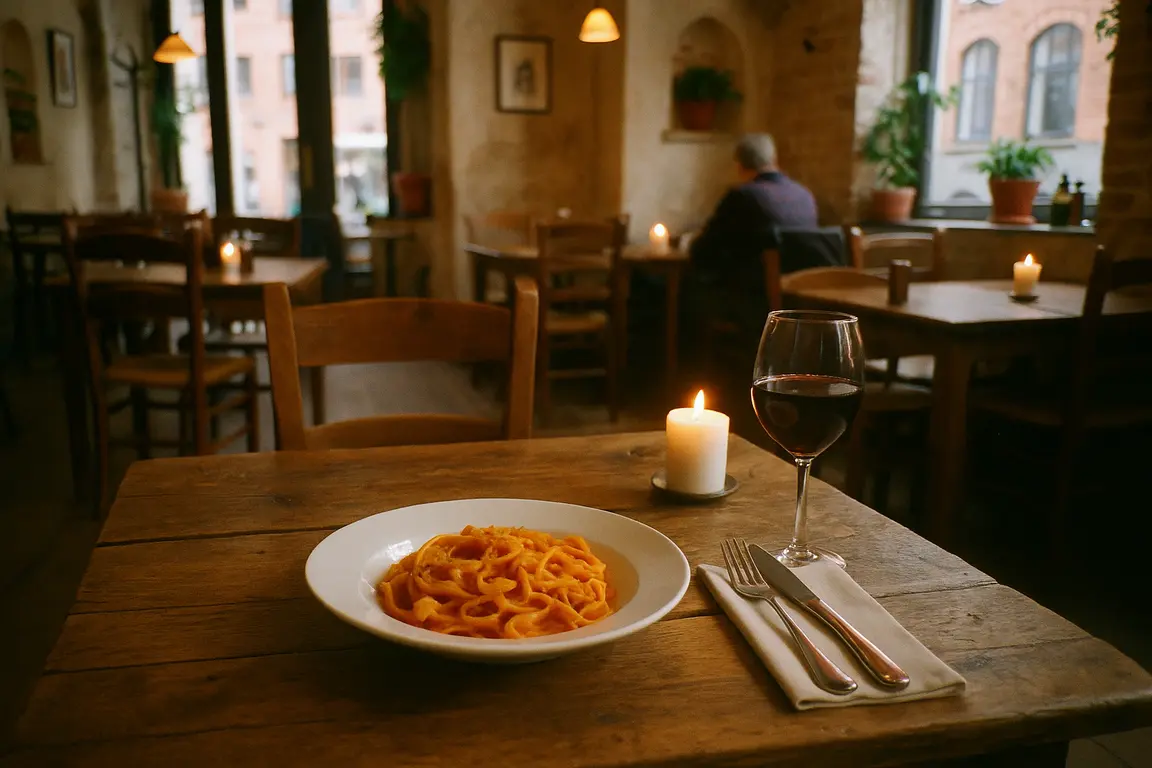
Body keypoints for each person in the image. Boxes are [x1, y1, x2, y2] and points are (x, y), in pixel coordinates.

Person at [689, 133, 818, 287]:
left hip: (754, 294)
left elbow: (702, 249)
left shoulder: (743, 196)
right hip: (801, 293)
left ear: (740, 165)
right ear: (774, 159)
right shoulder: (804, 195)